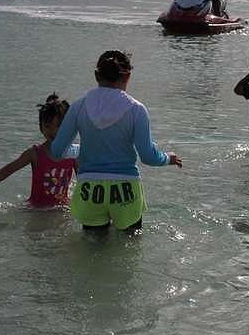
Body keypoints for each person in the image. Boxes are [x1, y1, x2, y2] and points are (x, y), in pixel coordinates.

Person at [51, 50, 183, 232]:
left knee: (92, 246)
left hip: (89, 189)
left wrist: (82, 150)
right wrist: (168, 158)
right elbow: (147, 157)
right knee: (130, 246)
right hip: (126, 190)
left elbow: (57, 151)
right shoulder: (136, 109)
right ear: (127, 77)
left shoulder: (78, 107)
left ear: (96, 75)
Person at [0, 94, 79, 207]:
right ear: (41, 127)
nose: (53, 131)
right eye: (47, 126)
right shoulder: (35, 153)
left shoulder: (73, 154)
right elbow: (8, 169)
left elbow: (83, 180)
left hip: (60, 209)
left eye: (59, 126)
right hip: (36, 209)